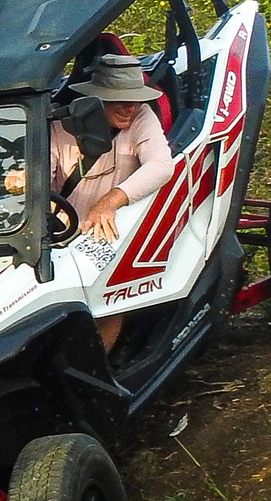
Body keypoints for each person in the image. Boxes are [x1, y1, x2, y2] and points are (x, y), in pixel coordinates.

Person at [45, 51, 175, 351]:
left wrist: (111, 200)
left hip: (108, 231)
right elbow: (42, 179)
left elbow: (161, 165)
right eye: (121, 100)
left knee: (108, 298)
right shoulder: (59, 126)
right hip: (59, 233)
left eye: (135, 99)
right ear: (97, 100)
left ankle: (98, 364)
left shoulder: (141, 116)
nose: (130, 107)